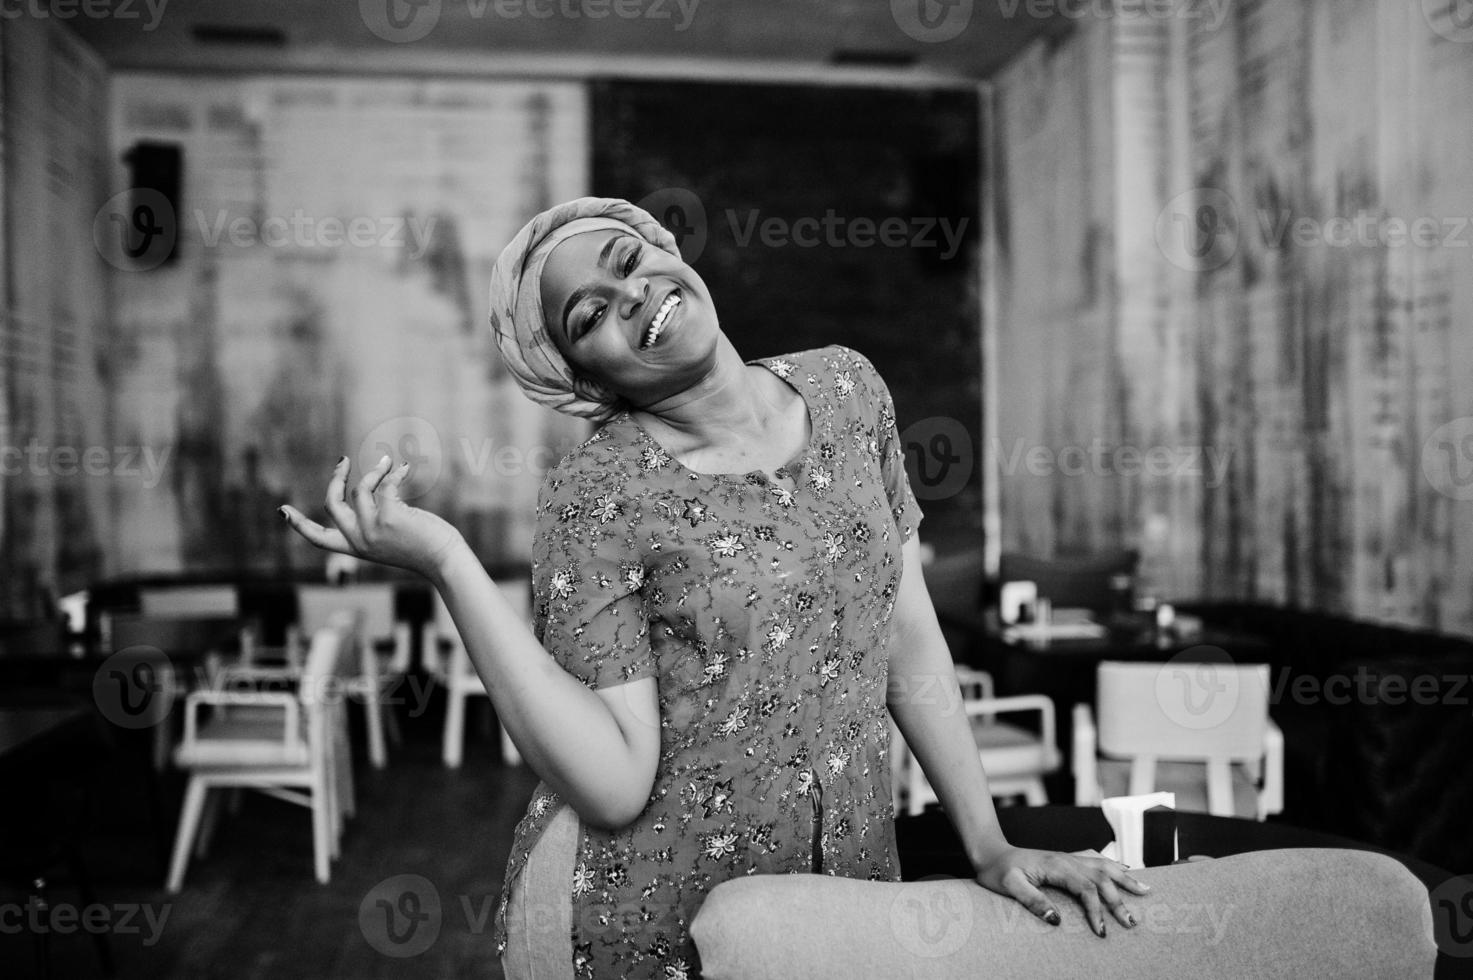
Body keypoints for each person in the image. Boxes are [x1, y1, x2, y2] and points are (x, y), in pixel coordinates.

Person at [279, 197, 1148, 979]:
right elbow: (615, 782)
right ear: (588, 382)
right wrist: (447, 562)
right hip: (650, 924)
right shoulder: (597, 495)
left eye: (629, 261)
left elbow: (907, 641)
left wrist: (988, 845)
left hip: (844, 890)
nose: (628, 295)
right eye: (590, 316)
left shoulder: (849, 390)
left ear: (668, 255)